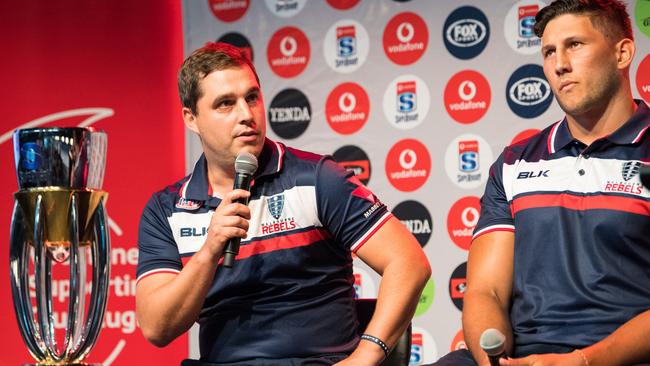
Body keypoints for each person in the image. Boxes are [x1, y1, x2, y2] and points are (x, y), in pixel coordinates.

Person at [135, 42, 431, 366]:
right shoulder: (166, 209)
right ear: (191, 119)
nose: (246, 115)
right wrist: (209, 251)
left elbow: (409, 263)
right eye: (225, 104)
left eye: (252, 97)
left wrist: (366, 355)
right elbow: (156, 327)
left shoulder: (318, 179)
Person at [433, 1, 650, 365]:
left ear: (622, 53)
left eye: (575, 45)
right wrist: (495, 360)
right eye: (549, 51)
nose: (559, 63)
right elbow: (486, 292)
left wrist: (583, 361)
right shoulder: (515, 162)